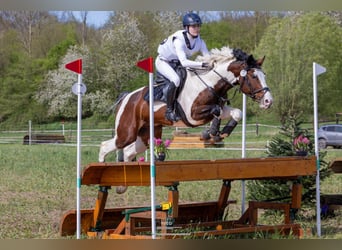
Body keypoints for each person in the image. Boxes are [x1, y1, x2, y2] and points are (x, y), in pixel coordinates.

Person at [156, 12, 211, 122]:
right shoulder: (178, 40)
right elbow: (185, 62)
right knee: (176, 80)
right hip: (164, 62)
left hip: (178, 64)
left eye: (198, 26)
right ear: (186, 27)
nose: (197, 29)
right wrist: (202, 64)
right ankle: (169, 110)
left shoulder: (199, 41)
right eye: (194, 26)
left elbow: (208, 58)